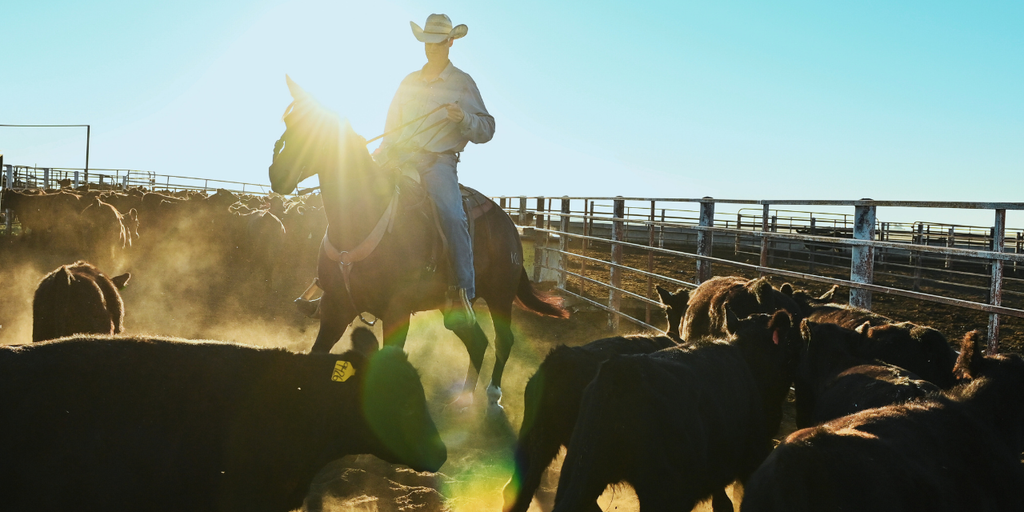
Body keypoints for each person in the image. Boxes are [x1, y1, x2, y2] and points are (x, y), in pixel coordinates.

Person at [374, 13, 495, 329]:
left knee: (452, 215)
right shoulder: (408, 82)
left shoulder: (462, 83)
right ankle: (339, 283)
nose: (431, 48)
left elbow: (487, 128)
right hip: (399, 160)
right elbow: (391, 128)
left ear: (450, 42)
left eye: (438, 42)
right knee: (361, 195)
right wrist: (381, 154)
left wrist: (463, 120)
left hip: (438, 164)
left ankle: (464, 295)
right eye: (427, 42)